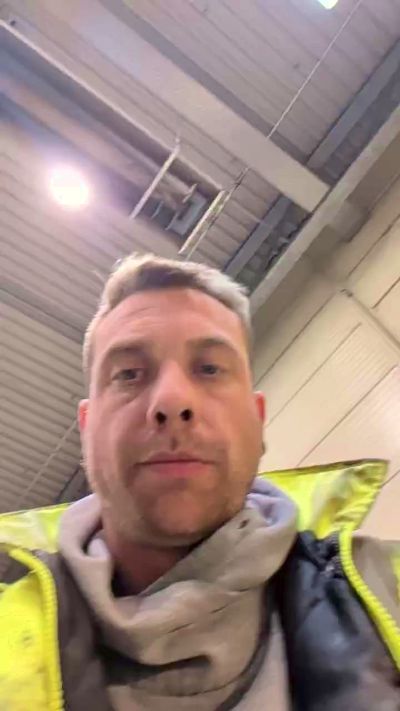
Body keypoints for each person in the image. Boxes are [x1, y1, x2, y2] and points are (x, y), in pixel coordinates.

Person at [0, 253, 399, 711]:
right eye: (128, 374)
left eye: (209, 369)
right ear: (87, 430)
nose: (172, 401)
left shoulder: (387, 589)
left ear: (257, 419)